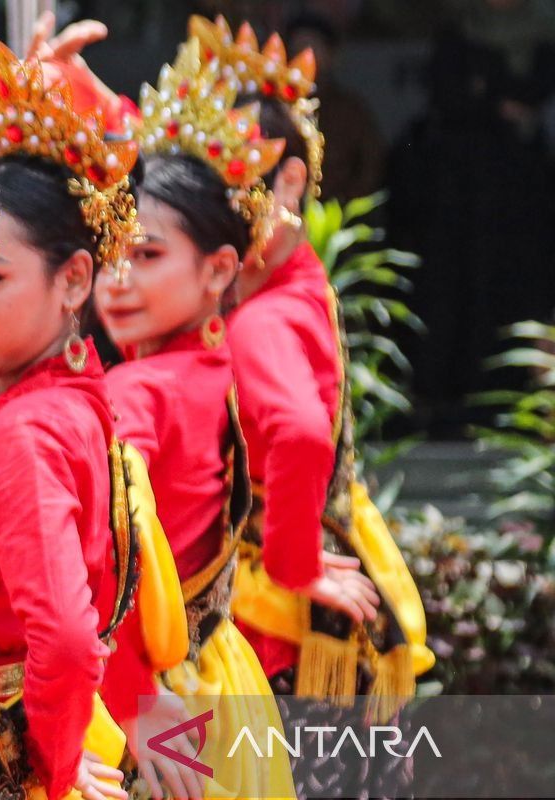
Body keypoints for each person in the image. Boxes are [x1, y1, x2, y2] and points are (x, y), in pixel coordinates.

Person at [0, 35, 195, 800]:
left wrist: (57, 768)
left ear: (74, 282)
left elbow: (68, 641)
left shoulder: (26, 430)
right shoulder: (49, 394)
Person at [47, 35, 297, 799]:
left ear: (219, 268)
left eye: (147, 258)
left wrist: (128, 700)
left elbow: (105, 558)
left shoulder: (139, 393)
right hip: (219, 676)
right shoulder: (222, 360)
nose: (116, 283)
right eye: (109, 255)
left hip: (148, 695)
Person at [190, 13, 433, 714]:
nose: (206, 220)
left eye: (228, 193)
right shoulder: (294, 274)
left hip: (283, 611)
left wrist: (294, 566)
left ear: (289, 182)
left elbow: (298, 435)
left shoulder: (261, 320)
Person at [285, 11, 386, 203]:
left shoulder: (351, 112)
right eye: (297, 48)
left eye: (313, 48)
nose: (305, 57)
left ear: (332, 55)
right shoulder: (278, 110)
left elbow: (371, 169)